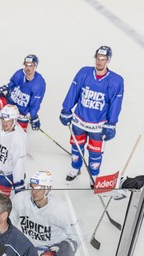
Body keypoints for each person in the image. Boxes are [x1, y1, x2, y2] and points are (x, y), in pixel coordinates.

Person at [59, 46, 124, 183]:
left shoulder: (115, 81)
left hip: (98, 125)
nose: (99, 62)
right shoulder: (84, 73)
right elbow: (73, 91)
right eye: (98, 59)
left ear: (108, 60)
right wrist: (66, 109)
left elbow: (115, 104)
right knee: (76, 147)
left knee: (95, 153)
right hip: (79, 121)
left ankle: (93, 175)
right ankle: (75, 169)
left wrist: (111, 123)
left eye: (103, 59)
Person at [10, 171, 79, 256]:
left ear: (48, 189)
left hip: (51, 248)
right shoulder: (20, 199)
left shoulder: (61, 210)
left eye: (39, 188)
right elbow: (9, 225)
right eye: (32, 186)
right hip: (28, 246)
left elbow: (77, 234)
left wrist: (67, 247)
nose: (34, 191)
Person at [0, 55, 46, 131]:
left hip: (22, 111)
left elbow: (35, 104)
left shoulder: (39, 84)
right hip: (9, 102)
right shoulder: (19, 73)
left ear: (35, 66)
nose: (28, 68)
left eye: (31, 66)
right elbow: (11, 84)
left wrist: (33, 116)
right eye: (26, 65)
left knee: (18, 132)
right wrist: (5, 87)